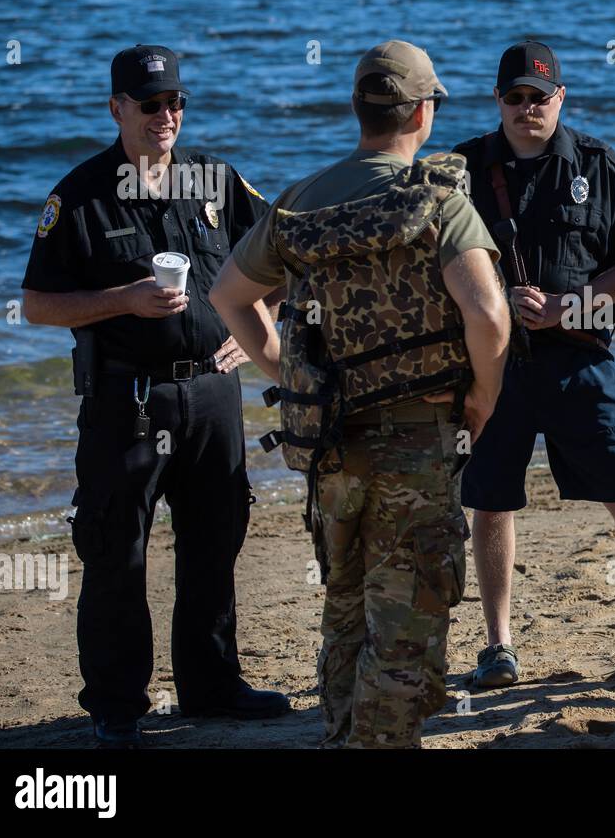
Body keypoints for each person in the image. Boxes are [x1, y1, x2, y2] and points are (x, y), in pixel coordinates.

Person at [211, 41, 511, 748]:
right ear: (422, 111)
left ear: (359, 109)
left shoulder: (302, 201)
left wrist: (289, 373)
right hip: (417, 439)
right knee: (406, 619)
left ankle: (343, 733)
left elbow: (229, 295)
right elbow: (489, 314)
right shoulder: (438, 199)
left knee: (346, 605)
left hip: (329, 449)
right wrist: (485, 398)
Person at [20, 44, 287, 747]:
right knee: (118, 551)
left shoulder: (216, 179)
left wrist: (255, 333)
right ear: (117, 109)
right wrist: (125, 300)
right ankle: (115, 703)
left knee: (216, 540)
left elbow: (282, 255)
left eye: (175, 102)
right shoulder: (78, 197)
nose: (165, 115)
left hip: (213, 393)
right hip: (127, 404)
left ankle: (213, 685)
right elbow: (38, 306)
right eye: (149, 104)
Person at [453, 41, 615, 688]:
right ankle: (498, 646)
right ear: (498, 101)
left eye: (539, 97)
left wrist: (570, 307)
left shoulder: (600, 165)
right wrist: (494, 299)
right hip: (495, 367)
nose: (527, 109)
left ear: (561, 98)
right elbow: (433, 264)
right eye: (514, 97)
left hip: (581, 363)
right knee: (490, 504)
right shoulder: (460, 169)